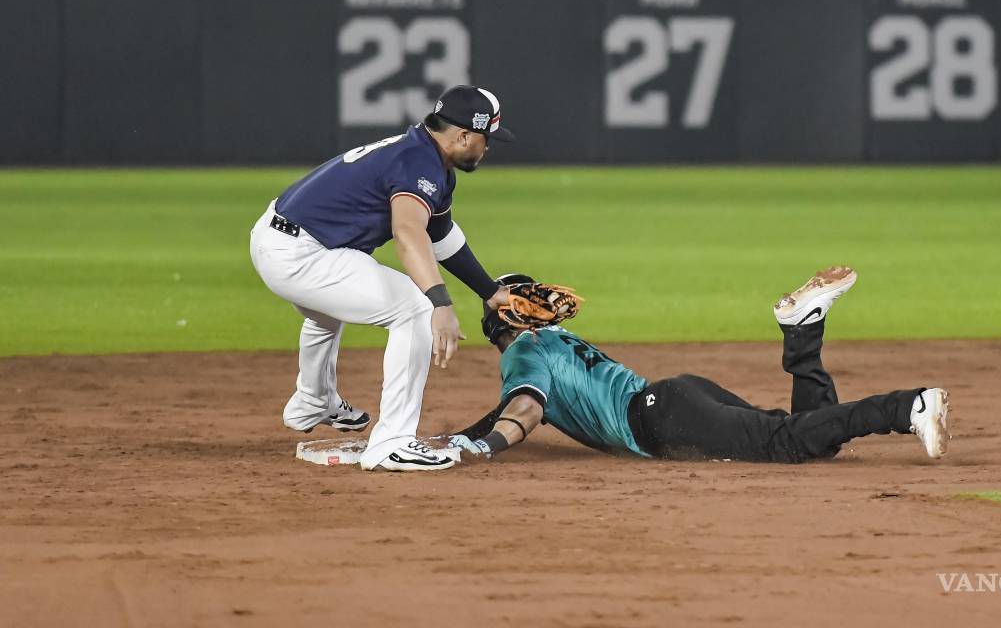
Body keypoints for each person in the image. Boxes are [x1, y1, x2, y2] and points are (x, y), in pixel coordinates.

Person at [250, 85, 516, 472]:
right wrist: (439, 303)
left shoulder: (424, 155)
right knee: (415, 308)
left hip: (280, 237)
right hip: (299, 253)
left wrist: (490, 292)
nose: (487, 148)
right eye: (485, 137)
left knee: (325, 312)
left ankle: (314, 400)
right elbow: (409, 233)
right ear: (462, 135)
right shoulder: (419, 164)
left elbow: (439, 236)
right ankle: (392, 443)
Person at [446, 266, 950, 464]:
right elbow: (513, 406)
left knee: (788, 444)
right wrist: (461, 438)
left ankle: (907, 407)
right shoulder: (554, 340)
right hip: (675, 397)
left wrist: (484, 449)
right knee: (808, 435)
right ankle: (803, 330)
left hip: (663, 418)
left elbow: (527, 409)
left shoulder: (523, 353)